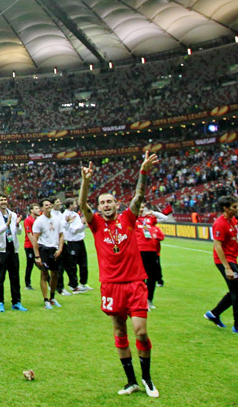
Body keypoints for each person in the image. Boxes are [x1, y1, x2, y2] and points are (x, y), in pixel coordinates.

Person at [78, 151, 160, 398]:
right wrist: (86, 181)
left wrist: (143, 171)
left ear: (116, 204)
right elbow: (83, 204)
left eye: (109, 202)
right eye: (102, 202)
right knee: (119, 331)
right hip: (111, 286)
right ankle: (131, 381)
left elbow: (139, 195)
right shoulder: (96, 225)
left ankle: (147, 379)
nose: (105, 205)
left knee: (141, 332)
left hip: (135, 283)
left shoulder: (128, 218)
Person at [204, 195, 238, 336]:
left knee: (236, 291)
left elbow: (234, 242)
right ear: (225, 208)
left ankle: (214, 314)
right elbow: (218, 247)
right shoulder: (220, 223)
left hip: (232, 259)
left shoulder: (233, 220)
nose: (237, 209)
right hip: (225, 261)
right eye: (234, 207)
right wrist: (227, 267)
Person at [0, 195, 27, 313]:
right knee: (0, 277)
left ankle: (16, 302)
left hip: (12, 249)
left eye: (5, 200)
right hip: (0, 250)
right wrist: (7, 224)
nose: (4, 202)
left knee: (15, 277)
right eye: (1, 200)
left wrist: (16, 225)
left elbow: (19, 232)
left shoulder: (13, 214)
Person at [31, 199, 65, 309]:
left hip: (54, 249)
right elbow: (35, 239)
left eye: (50, 204)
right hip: (44, 249)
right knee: (44, 274)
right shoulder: (39, 221)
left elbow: (61, 235)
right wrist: (37, 256)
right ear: (42, 208)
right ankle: (46, 300)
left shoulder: (57, 220)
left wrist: (60, 249)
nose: (49, 206)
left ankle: (52, 297)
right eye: (46, 205)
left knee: (55, 274)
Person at [137, 205, 169, 309]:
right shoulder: (132, 219)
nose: (141, 209)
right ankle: (140, 300)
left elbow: (165, 218)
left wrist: (153, 213)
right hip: (139, 251)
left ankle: (149, 300)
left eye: (143, 207)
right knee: (140, 278)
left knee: (152, 277)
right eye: (139, 207)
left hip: (152, 251)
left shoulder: (149, 219)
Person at [62, 198, 92, 293]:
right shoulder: (66, 216)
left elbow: (78, 228)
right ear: (70, 205)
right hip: (72, 242)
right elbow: (73, 230)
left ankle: (83, 283)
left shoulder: (75, 214)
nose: (76, 205)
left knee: (83, 263)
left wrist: (82, 225)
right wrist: (83, 224)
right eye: (74, 203)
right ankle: (73, 284)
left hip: (80, 241)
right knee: (73, 265)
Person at [23, 202, 40, 290]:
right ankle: (27, 284)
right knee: (30, 265)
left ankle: (48, 281)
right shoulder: (28, 220)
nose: (38, 210)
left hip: (36, 245)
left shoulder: (38, 220)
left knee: (40, 263)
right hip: (29, 246)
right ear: (31, 210)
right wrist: (35, 245)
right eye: (36, 208)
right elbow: (29, 234)